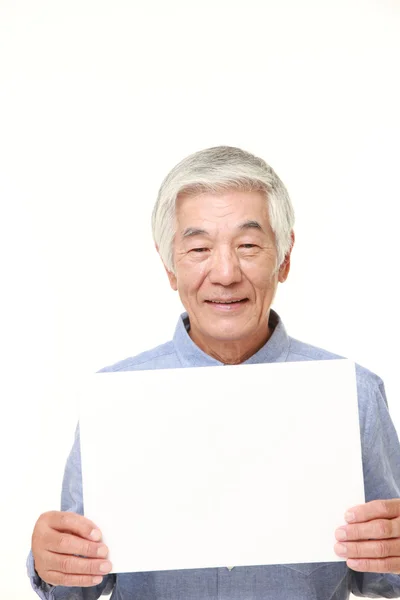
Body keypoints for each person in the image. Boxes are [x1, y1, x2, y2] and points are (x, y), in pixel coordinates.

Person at [28, 146, 400, 599]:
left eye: (247, 246)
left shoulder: (354, 395)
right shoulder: (117, 400)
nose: (224, 272)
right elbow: (78, 585)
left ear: (283, 257)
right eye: (200, 248)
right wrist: (51, 562)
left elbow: (384, 578)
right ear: (169, 265)